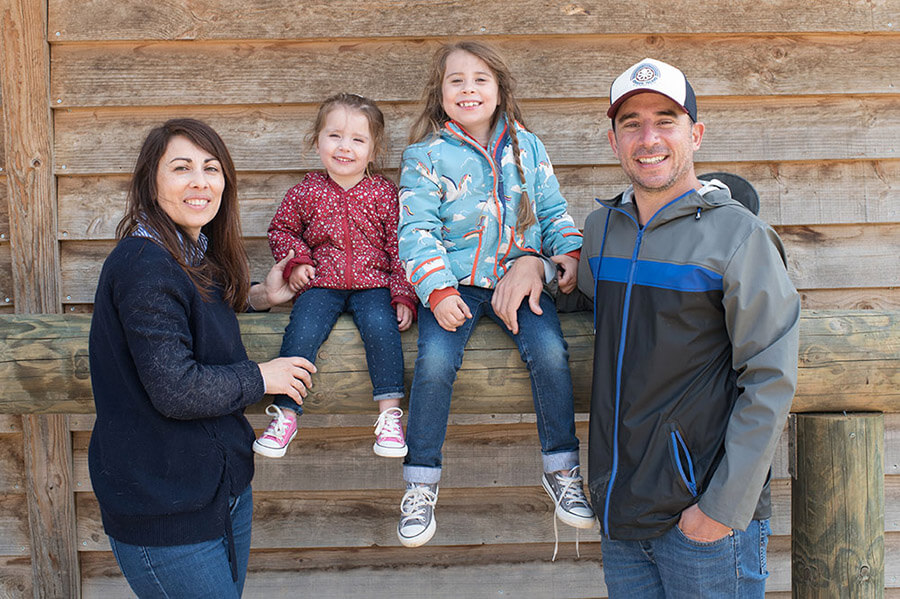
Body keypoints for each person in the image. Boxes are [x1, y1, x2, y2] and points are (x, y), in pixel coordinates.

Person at [576, 58, 800, 596]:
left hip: (703, 520)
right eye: (631, 123)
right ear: (614, 141)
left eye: (666, 120)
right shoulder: (601, 230)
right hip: (621, 508)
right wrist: (532, 264)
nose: (648, 137)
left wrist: (719, 510)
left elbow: (769, 377)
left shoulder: (739, 237)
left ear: (695, 134)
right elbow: (584, 302)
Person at [89, 118, 316, 597]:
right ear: (151, 181)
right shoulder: (143, 264)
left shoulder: (188, 253)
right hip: (165, 507)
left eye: (211, 168)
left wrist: (257, 298)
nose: (201, 181)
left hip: (216, 492)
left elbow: (189, 320)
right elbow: (175, 386)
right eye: (182, 168)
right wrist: (262, 377)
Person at [396, 40, 595, 550]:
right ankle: (420, 481)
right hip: (452, 285)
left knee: (550, 353)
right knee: (435, 364)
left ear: (500, 88)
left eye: (480, 79)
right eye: (456, 80)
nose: (469, 89)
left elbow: (552, 211)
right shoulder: (424, 157)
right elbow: (416, 229)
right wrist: (436, 291)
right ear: (439, 94)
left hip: (520, 278)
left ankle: (562, 470)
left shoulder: (528, 148)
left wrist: (567, 254)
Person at [253, 93, 418, 460]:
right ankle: (285, 413)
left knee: (381, 328)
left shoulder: (384, 194)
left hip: (373, 285)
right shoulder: (306, 192)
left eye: (358, 140)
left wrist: (403, 294)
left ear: (374, 151)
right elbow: (282, 231)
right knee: (302, 330)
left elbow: (400, 246)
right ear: (317, 141)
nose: (345, 147)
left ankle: (390, 416)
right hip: (321, 284)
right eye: (335, 136)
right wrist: (298, 263)